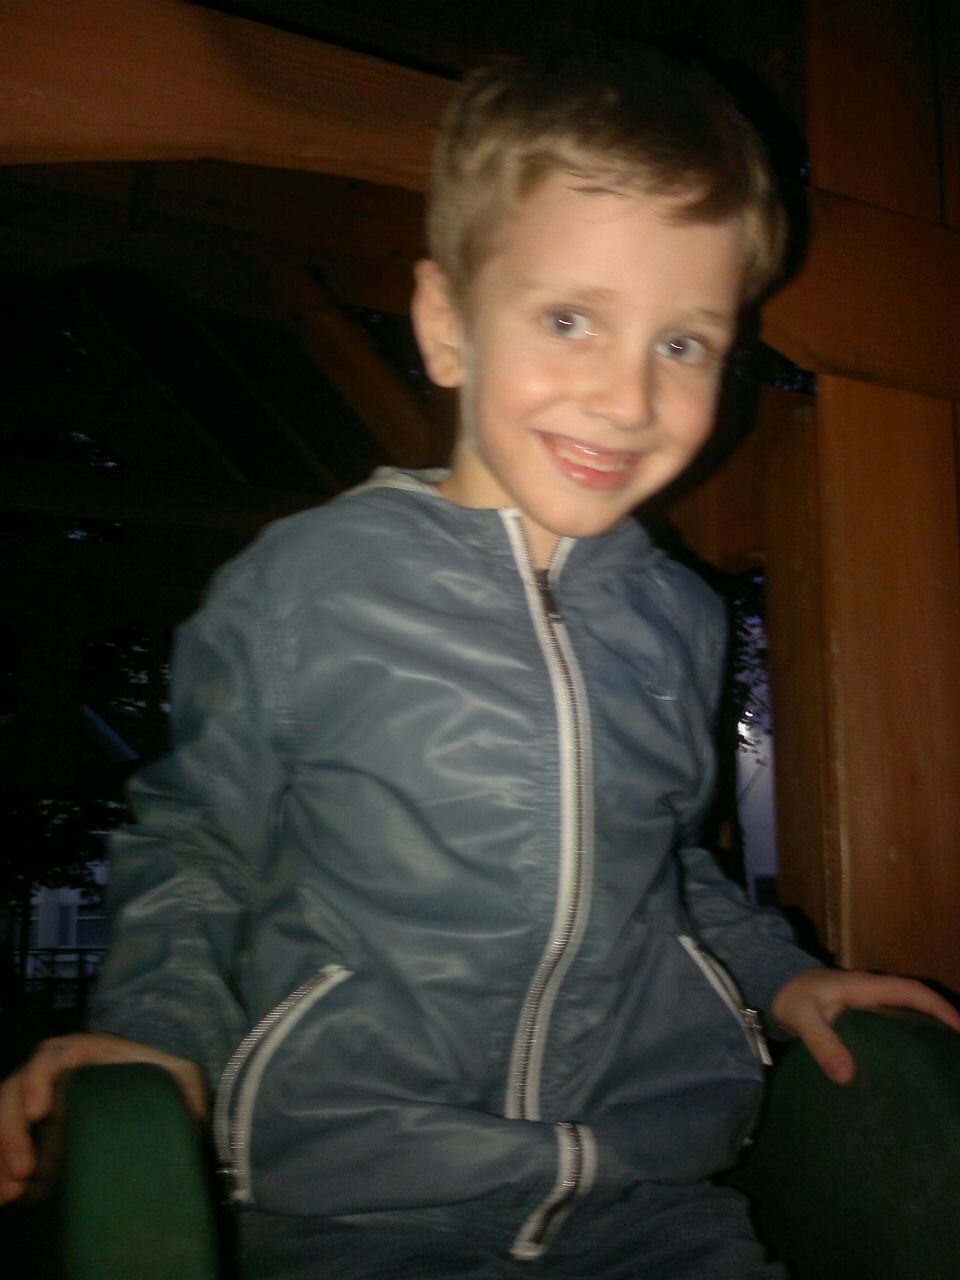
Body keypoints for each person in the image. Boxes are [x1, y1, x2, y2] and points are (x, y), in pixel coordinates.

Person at [2, 39, 958, 1279]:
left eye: (684, 343)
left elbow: (668, 870)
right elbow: (197, 842)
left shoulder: (681, 616)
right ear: (447, 324)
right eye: (570, 319)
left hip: (653, 1203)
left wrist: (784, 977)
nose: (628, 398)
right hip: (354, 1207)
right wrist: (149, 1028)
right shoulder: (307, 582)